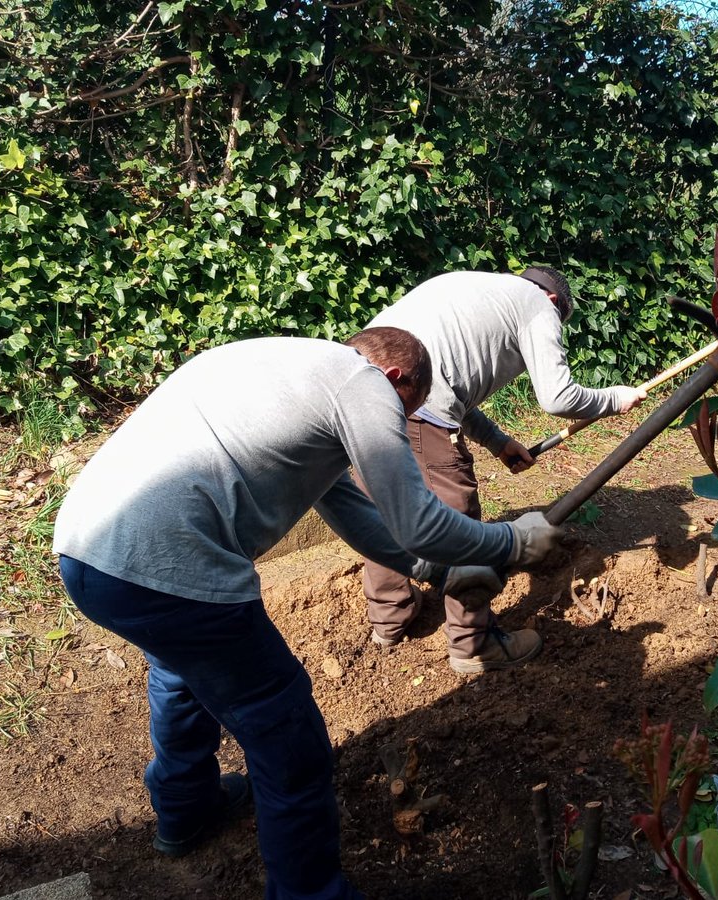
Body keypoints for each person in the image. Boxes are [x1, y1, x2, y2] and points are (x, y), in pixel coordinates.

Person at [51, 327, 562, 900]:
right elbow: (417, 520)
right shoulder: (362, 383)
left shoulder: (283, 369)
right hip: (175, 571)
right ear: (396, 379)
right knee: (283, 732)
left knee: (179, 673)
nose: (396, 429)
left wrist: (438, 573)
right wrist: (511, 543)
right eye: (406, 414)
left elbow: (354, 511)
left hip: (88, 553)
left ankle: (186, 809)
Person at [362, 267, 643, 674]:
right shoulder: (537, 305)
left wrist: (496, 441)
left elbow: (449, 380)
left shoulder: (475, 288)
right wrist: (615, 398)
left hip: (362, 395)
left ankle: (391, 617)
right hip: (416, 404)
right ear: (553, 302)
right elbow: (558, 397)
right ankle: (473, 644)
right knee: (459, 525)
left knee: (387, 509)